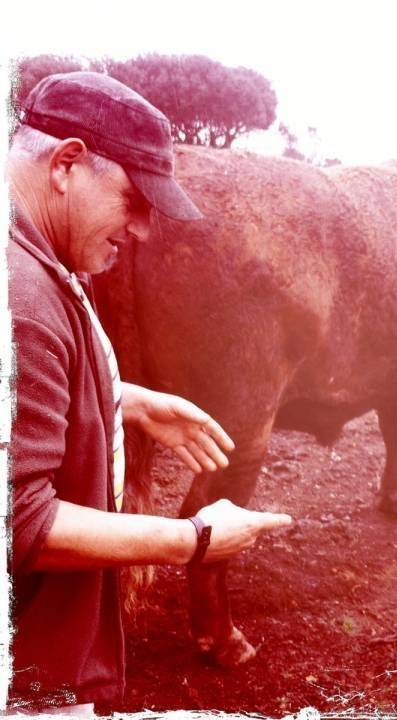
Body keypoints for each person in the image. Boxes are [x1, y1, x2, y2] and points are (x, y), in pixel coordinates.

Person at [6, 71, 292, 715]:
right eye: (133, 200)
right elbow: (19, 522)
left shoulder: (33, 252)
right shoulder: (19, 294)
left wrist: (122, 398)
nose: (139, 230)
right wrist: (191, 538)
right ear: (67, 165)